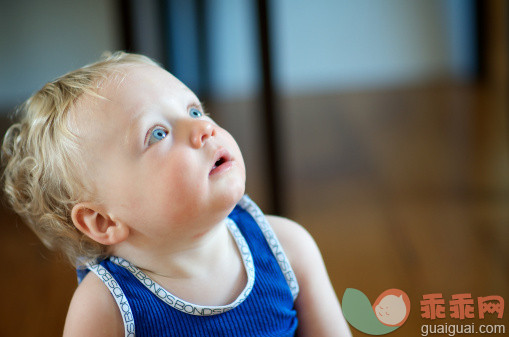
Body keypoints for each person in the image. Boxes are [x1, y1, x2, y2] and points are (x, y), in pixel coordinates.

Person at [1, 52, 352, 337]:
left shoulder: (288, 249)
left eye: (194, 110)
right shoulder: (107, 308)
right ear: (103, 220)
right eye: (157, 134)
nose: (203, 128)